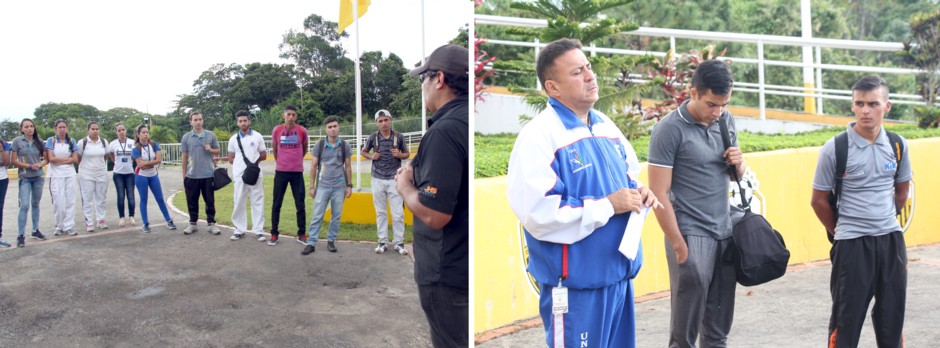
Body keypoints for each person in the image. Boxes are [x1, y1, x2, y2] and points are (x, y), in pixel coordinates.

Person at [506, 39, 660, 348]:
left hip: (618, 279)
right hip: (576, 289)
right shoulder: (538, 137)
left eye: (588, 67)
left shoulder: (605, 126)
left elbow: (629, 177)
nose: (590, 77)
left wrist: (639, 192)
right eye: (577, 72)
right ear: (553, 87)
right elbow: (539, 215)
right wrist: (607, 206)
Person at [647, 59, 743, 348]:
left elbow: (733, 175)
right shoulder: (669, 130)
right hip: (690, 234)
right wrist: (679, 246)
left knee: (718, 331)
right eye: (712, 104)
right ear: (693, 92)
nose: (718, 112)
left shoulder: (726, 120)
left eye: (724, 104)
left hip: (724, 231)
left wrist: (739, 165)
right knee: (684, 334)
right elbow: (658, 194)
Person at [810, 75, 911, 348]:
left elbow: (902, 191)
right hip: (852, 244)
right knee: (847, 320)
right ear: (853, 106)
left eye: (873, 104)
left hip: (891, 240)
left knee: (892, 318)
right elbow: (818, 201)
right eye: (859, 103)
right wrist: (842, 230)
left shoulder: (898, 145)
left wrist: (883, 218)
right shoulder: (835, 148)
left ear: (886, 107)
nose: (866, 110)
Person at [395, 43, 471, 348]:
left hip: (445, 272)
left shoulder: (445, 130)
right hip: (463, 265)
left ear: (438, 79)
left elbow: (434, 214)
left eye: (423, 78)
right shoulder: (465, 120)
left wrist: (405, 188)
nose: (423, 86)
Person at [361, 109, 410, 255]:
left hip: (395, 179)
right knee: (380, 212)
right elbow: (363, 151)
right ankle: (382, 241)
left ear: (391, 120)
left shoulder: (398, 137)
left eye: (386, 120)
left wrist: (400, 155)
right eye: (380, 121)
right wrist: (371, 156)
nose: (383, 123)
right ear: (376, 123)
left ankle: (399, 242)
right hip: (377, 178)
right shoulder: (373, 137)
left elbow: (407, 153)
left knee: (398, 213)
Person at [302, 116, 352, 255]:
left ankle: (331, 241)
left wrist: (349, 185)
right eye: (330, 127)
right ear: (326, 129)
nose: (333, 129)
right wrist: (312, 186)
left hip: (339, 186)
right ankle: (311, 242)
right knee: (317, 215)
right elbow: (313, 166)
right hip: (323, 186)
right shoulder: (320, 145)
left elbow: (348, 167)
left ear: (339, 127)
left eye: (335, 126)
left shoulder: (344, 145)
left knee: (336, 215)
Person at [269, 105, 309, 246]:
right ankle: (274, 234)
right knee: (276, 204)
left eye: (293, 114)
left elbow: (304, 148)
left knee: (300, 204)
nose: (291, 117)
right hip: (281, 172)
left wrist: (296, 161)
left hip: (297, 172)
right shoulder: (277, 130)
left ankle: (302, 234)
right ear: (283, 115)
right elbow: (275, 149)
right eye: (288, 114)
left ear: (296, 116)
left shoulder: (302, 130)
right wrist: (281, 162)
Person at [226, 110, 267, 242]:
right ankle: (239, 229)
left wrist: (252, 166)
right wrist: (241, 166)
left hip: (255, 174)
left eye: (245, 120)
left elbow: (263, 155)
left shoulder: (258, 136)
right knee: (239, 201)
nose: (243, 123)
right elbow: (230, 158)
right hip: (239, 176)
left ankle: (259, 230)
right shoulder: (233, 139)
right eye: (240, 121)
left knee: (257, 201)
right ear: (237, 123)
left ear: (249, 121)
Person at [180, 111, 221, 235]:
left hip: (208, 174)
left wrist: (211, 149)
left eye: (200, 119)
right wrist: (184, 176)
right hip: (192, 175)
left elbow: (218, 150)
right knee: (191, 200)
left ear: (203, 120)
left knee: (210, 201)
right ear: (191, 122)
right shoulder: (186, 137)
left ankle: (211, 224)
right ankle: (193, 223)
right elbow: (184, 157)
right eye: (195, 120)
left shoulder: (210, 135)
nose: (198, 122)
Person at [132, 125, 177, 233]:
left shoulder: (153, 144)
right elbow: (140, 165)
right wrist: (150, 163)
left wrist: (147, 163)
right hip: (141, 176)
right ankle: (145, 223)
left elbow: (158, 160)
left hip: (153, 175)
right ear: (138, 134)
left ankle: (168, 220)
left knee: (160, 198)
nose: (146, 134)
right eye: (143, 132)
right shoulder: (135, 148)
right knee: (144, 199)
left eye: (147, 132)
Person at [10, 119, 47, 247]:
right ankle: (21, 235)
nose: (30, 128)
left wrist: (40, 164)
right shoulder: (17, 141)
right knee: (24, 205)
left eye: (31, 126)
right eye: (26, 126)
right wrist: (29, 166)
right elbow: (13, 160)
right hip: (25, 177)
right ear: (22, 129)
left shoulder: (39, 142)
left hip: (38, 177)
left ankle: (35, 230)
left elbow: (46, 159)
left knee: (35, 204)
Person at [45, 119, 79, 236]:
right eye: (60, 127)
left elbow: (75, 159)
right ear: (56, 129)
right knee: (58, 201)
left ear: (67, 128)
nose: (62, 129)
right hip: (56, 175)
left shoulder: (72, 141)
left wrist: (60, 161)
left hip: (69, 174)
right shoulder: (51, 141)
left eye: (64, 127)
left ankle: (69, 226)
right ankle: (59, 226)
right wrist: (67, 160)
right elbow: (51, 159)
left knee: (70, 200)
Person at [77, 121, 110, 232]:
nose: (95, 131)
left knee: (101, 198)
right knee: (88, 199)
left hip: (101, 173)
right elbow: (78, 157)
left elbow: (106, 156)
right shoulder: (82, 143)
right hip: (86, 174)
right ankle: (89, 222)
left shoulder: (104, 142)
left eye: (97, 129)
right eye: (93, 129)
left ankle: (101, 220)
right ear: (88, 130)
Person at [109, 123, 136, 227]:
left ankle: (132, 216)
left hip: (130, 172)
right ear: (116, 132)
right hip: (118, 173)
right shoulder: (113, 143)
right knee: (120, 196)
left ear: (126, 130)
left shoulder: (132, 142)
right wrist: (115, 161)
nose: (121, 132)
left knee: (131, 195)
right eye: (119, 130)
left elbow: (134, 155)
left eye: (123, 129)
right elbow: (111, 154)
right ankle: (122, 217)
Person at [0, 137, 12, 247]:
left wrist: (1, 149)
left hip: (2, 179)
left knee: (0, 208)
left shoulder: (4, 144)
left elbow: (6, 162)